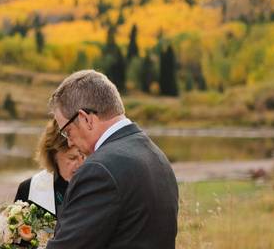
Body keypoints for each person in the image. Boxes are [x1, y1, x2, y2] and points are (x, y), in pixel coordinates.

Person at [46, 70, 178, 249]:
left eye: (67, 132)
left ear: (85, 119)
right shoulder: (156, 155)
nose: (69, 141)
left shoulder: (99, 170)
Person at [13, 119, 85, 215]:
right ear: (53, 155)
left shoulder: (101, 185)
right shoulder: (29, 189)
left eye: (85, 156)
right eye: (72, 158)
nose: (81, 164)